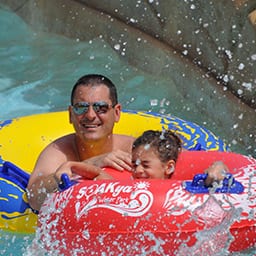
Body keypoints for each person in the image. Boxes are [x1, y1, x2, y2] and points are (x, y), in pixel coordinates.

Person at [27, 74, 135, 211]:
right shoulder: (58, 152)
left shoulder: (134, 150)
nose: (90, 115)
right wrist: (90, 165)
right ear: (71, 114)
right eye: (80, 107)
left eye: (100, 107)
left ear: (117, 113)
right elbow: (34, 197)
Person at [131, 130, 228, 185]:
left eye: (145, 165)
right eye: (135, 165)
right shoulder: (128, 188)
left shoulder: (181, 187)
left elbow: (221, 166)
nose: (138, 170)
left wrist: (219, 167)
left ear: (168, 167)